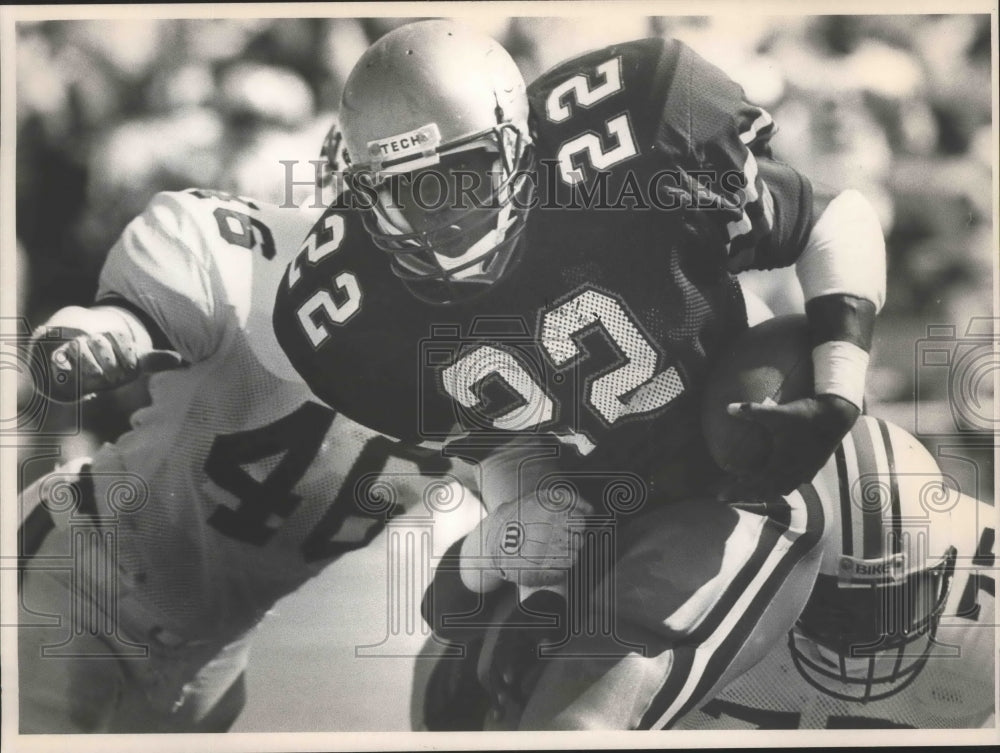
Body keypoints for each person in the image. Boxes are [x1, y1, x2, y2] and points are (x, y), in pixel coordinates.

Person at [272, 20, 887, 728]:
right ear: (364, 193)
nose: (444, 220)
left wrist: (839, 383)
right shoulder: (349, 307)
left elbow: (833, 217)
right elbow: (501, 436)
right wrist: (525, 546)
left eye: (463, 176)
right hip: (595, 502)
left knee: (575, 716)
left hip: (724, 471)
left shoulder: (629, 140)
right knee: (452, 694)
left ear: (517, 143)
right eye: (412, 192)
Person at [20, 188, 466, 732]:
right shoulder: (253, 262)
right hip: (80, 584)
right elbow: (122, 321)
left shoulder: (497, 358)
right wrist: (93, 337)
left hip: (211, 661)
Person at [674, 416, 995, 729]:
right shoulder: (700, 567)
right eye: (837, 607)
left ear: (947, 565)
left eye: (892, 604)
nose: (862, 642)